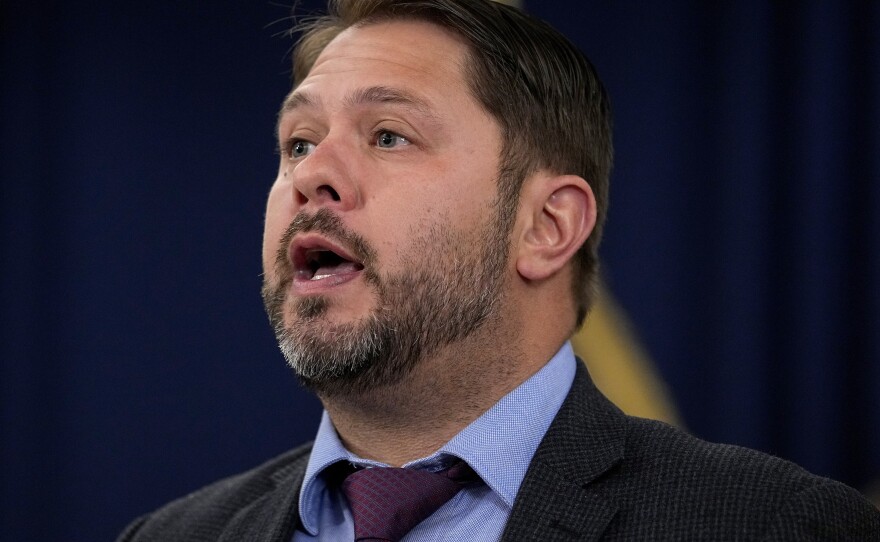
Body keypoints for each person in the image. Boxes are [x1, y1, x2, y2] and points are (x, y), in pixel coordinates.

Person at [117, 0, 880, 540]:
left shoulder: (772, 526)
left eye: (388, 135)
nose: (315, 174)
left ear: (548, 227)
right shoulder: (171, 535)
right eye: (298, 143)